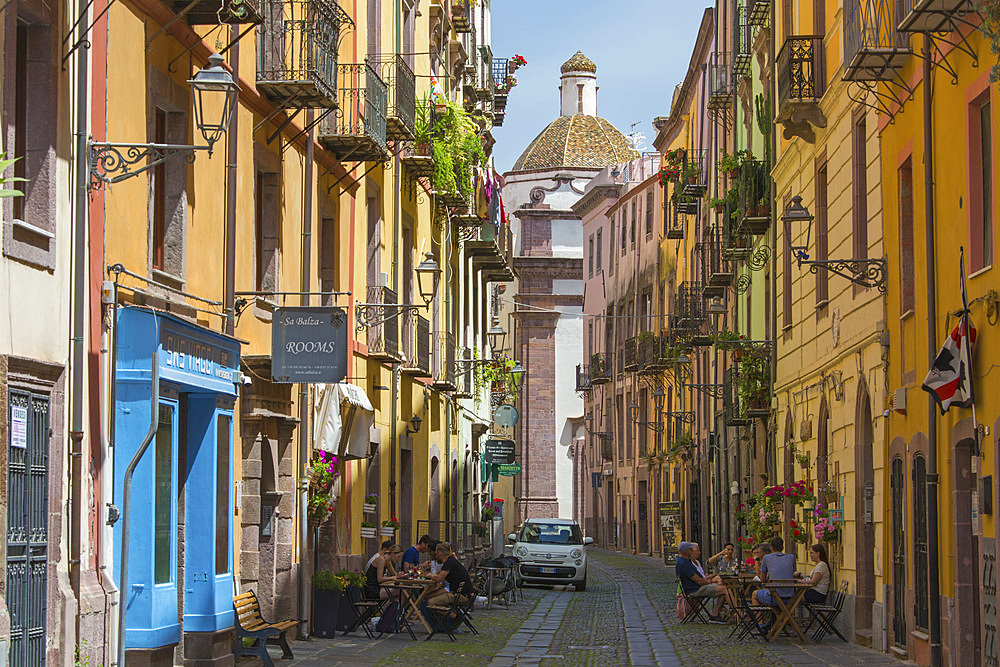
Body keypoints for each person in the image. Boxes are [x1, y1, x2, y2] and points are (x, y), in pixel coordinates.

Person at [674, 541, 727, 623]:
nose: (692, 551)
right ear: (686, 551)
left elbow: (699, 577)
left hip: (696, 587)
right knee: (725, 589)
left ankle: (716, 613)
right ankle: (738, 613)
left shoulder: (686, 561)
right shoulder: (683, 563)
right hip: (694, 590)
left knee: (726, 589)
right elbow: (699, 580)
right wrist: (710, 583)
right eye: (691, 549)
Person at [424, 543, 475, 608]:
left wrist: (429, 575)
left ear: (439, 554)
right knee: (428, 596)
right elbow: (439, 574)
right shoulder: (450, 561)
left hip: (461, 595)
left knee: (430, 602)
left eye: (436, 554)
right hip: (461, 593)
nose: (436, 557)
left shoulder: (449, 562)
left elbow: (439, 578)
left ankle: (454, 616)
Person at [754, 536, 796, 606]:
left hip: (774, 597)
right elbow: (793, 573)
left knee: (754, 594)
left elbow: (762, 579)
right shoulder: (791, 557)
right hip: (791, 597)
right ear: (782, 548)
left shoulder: (766, 558)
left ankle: (759, 617)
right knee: (781, 607)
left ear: (771, 548)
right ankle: (782, 616)